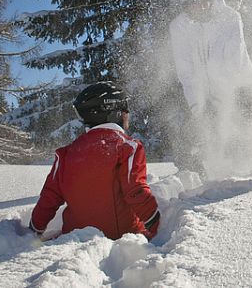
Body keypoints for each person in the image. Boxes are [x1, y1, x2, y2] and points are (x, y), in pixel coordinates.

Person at [29, 82, 160, 240]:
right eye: (125, 109)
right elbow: (135, 191)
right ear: (113, 112)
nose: (127, 114)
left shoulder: (65, 154)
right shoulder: (128, 147)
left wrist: (33, 231)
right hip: (120, 243)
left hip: (72, 240)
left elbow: (49, 198)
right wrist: (159, 224)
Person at [168, 0, 252, 175]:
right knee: (192, 133)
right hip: (202, 91)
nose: (201, 4)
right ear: (186, 2)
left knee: (237, 132)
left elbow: (232, 62)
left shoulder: (230, 18)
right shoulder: (179, 27)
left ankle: (244, 176)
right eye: (195, 0)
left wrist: (221, 106)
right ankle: (194, 177)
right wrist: (198, 109)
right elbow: (186, 72)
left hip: (239, 86)